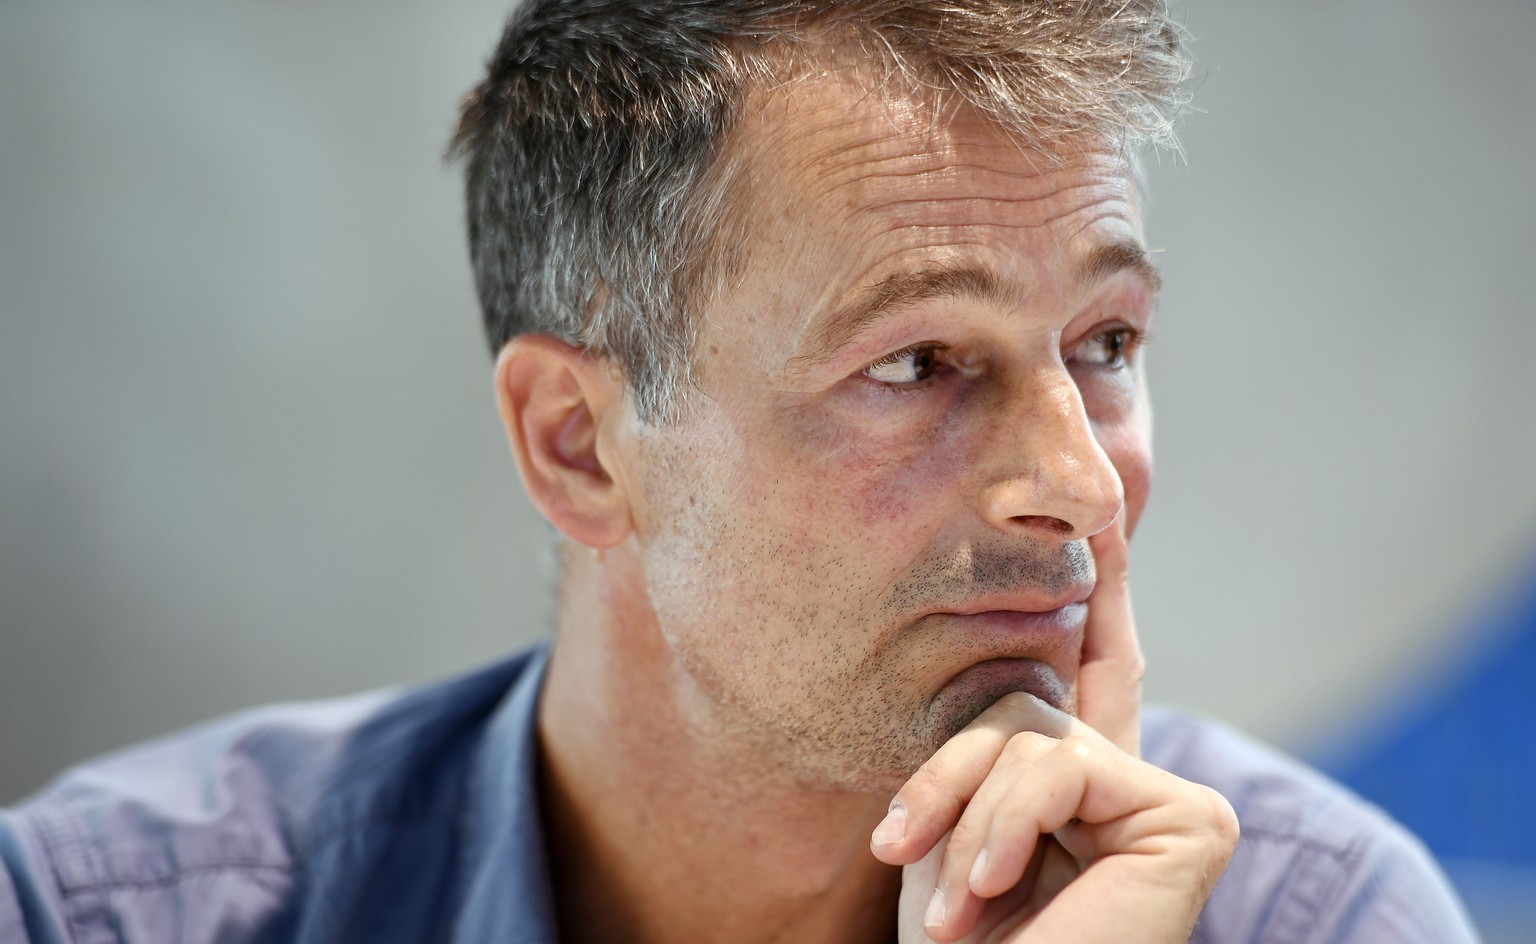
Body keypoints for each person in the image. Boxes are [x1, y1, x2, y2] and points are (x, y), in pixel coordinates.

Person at [0, 1, 1481, 942]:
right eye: (915, 363)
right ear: (578, 446)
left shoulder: (1316, 916)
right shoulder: (107, 913)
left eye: (1104, 340)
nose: (1082, 487)